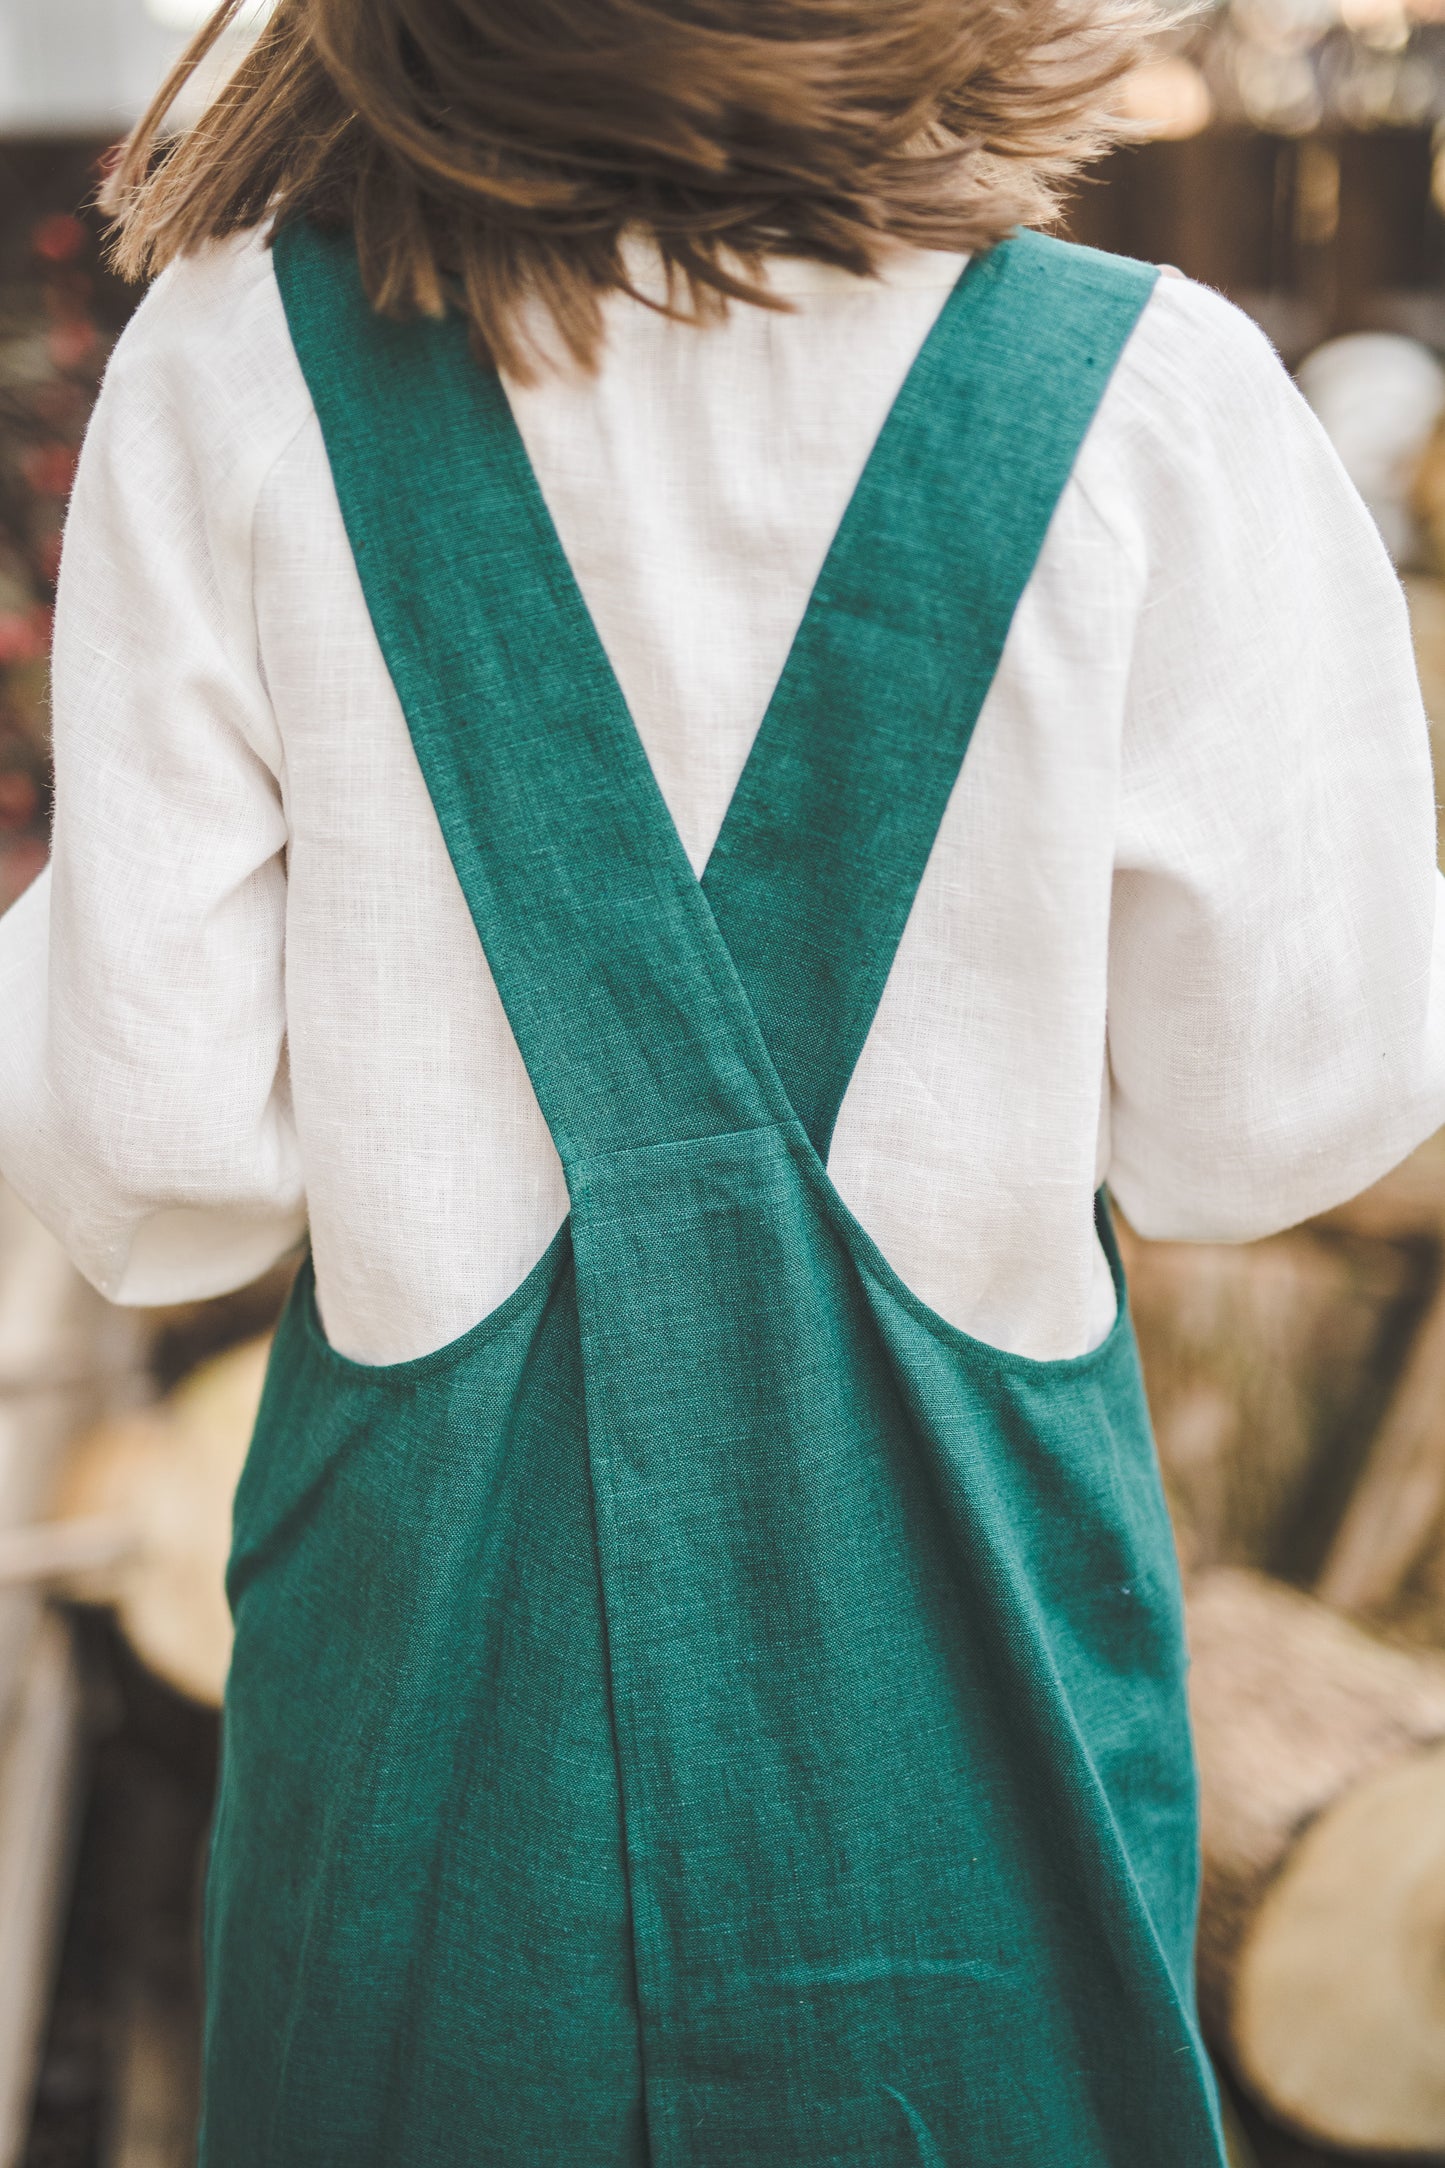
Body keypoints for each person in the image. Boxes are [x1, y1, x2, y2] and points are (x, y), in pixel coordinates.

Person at [1, 0, 1442, 2159]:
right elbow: (1277, 1119)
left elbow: (162, 1162)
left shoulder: (239, 369)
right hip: (970, 1744)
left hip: (427, 1792)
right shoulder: (1155, 394)